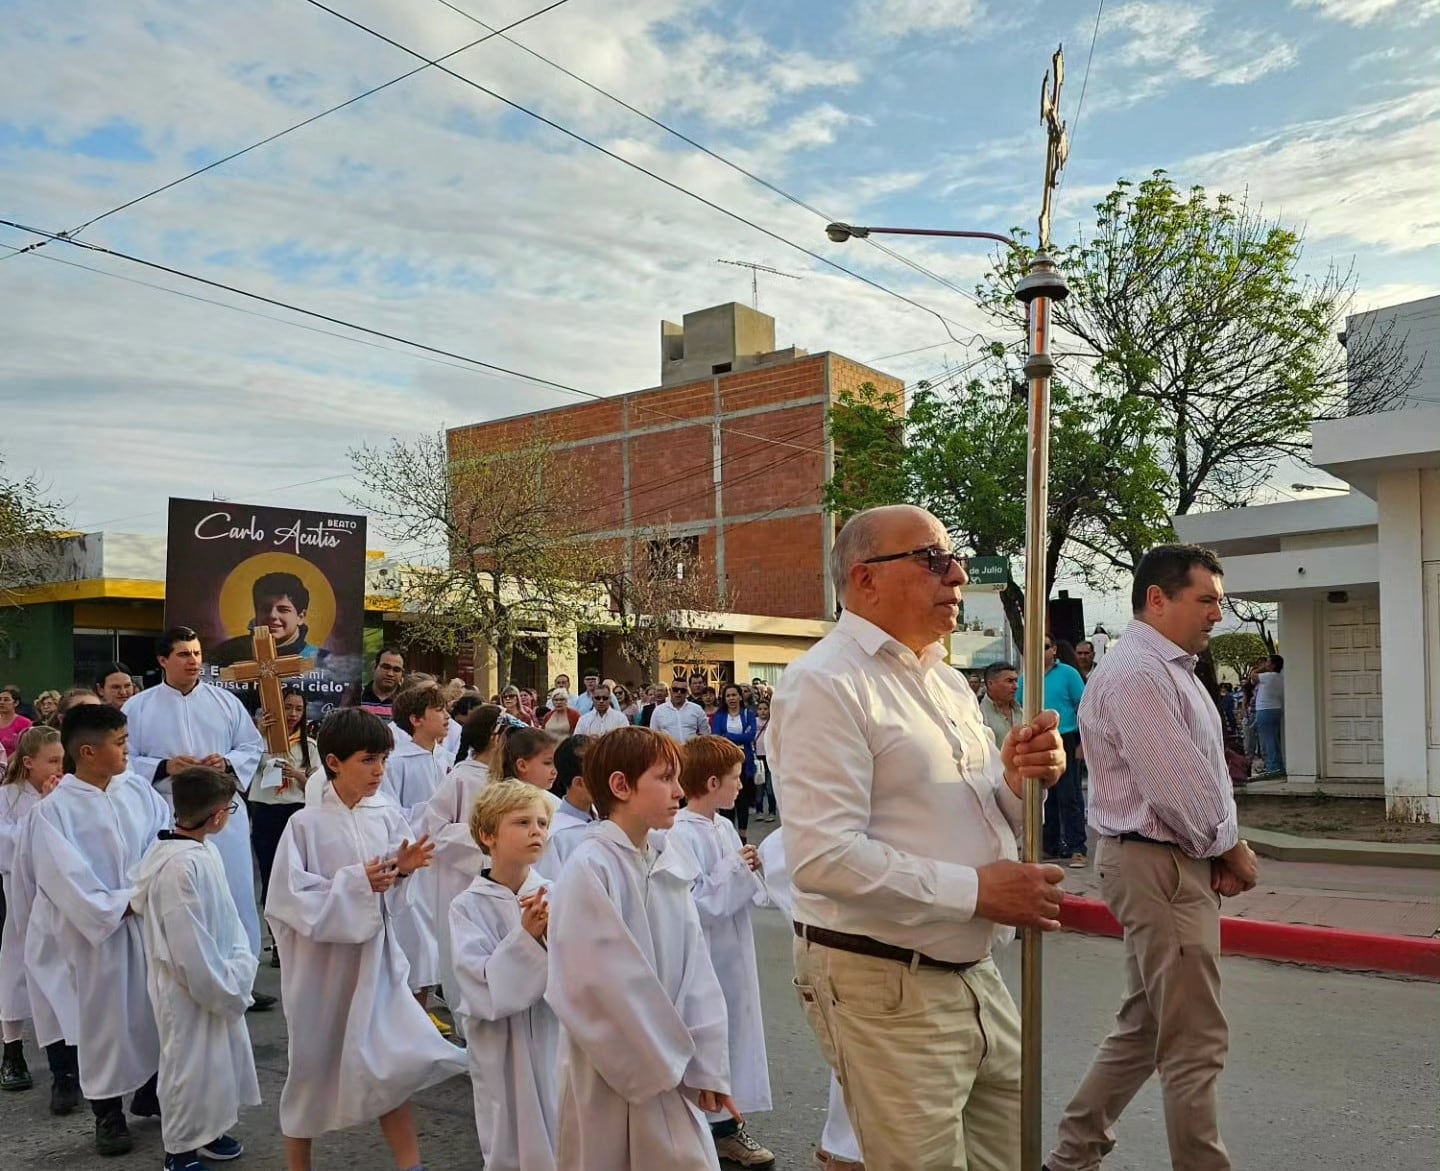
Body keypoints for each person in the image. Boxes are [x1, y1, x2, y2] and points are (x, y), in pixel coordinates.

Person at [769, 505, 1067, 1171]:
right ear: (864, 578)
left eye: (952, 558)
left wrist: (1024, 778)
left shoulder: (943, 681)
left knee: (1013, 1154)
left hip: (971, 971)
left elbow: (987, 804)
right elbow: (822, 857)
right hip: (886, 977)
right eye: (932, 559)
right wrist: (978, 891)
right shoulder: (826, 683)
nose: (957, 574)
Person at [1043, 544, 1261, 1171]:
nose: (1218, 613)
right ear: (1158, 599)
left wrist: (1217, 845)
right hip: (1157, 863)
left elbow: (1198, 776)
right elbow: (1177, 788)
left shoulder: (1172, 667)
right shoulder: (1139, 672)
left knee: (1145, 1027)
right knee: (1194, 1040)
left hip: (1166, 859)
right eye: (1207, 600)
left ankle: (1073, 1152)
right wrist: (1228, 847)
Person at [264, 707, 465, 1171]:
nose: (378, 771)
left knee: (388, 1064)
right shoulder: (305, 826)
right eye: (367, 760)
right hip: (322, 971)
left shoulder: (388, 816)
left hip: (375, 962)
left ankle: (410, 1164)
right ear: (333, 762)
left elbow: (394, 893)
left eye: (383, 761)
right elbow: (287, 901)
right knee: (312, 1068)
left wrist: (400, 873)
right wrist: (359, 882)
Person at [546, 726, 734, 1170]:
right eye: (665, 778)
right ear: (620, 785)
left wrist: (706, 1063)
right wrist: (664, 1063)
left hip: (671, 1058)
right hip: (617, 1064)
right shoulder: (589, 867)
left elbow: (696, 969)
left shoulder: (667, 859)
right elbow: (597, 984)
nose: (678, 791)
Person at [31, 703, 170, 1155]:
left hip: (147, 920)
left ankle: (152, 1091)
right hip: (98, 934)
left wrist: (150, 889)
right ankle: (108, 1112)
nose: (129, 750)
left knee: (155, 1009)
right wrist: (121, 903)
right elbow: (63, 877)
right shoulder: (54, 811)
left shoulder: (138, 791)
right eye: (121, 743)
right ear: (88, 752)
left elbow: (162, 841)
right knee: (104, 1022)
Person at [123, 628, 270, 990]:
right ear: (162, 661)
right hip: (168, 812)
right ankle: (182, 974)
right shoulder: (138, 707)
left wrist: (227, 761)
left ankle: (241, 977)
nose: (194, 661)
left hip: (223, 813)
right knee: (181, 893)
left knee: (234, 891)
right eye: (184, 654)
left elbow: (251, 747)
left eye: (197, 653)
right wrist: (165, 766)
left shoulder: (225, 702)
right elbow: (125, 760)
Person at [130, 766, 260, 1171]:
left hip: (220, 978)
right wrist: (222, 988)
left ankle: (211, 1130)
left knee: (217, 1062)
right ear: (219, 815)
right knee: (187, 1066)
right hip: (190, 988)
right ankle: (181, 1149)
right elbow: (187, 946)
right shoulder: (177, 867)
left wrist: (237, 967)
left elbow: (227, 919)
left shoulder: (203, 850)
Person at [669, 736, 775, 1168]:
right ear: (711, 782)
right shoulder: (679, 833)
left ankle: (727, 1124)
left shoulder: (724, 826)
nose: (742, 784)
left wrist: (751, 868)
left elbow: (741, 888)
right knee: (707, 1034)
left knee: (734, 1033)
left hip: (734, 949)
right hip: (705, 954)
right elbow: (693, 903)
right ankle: (705, 1127)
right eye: (734, 778)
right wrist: (736, 868)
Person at [449, 779, 560, 1171]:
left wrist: (553, 939)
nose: (536, 831)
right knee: (506, 1134)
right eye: (522, 822)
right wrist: (527, 937)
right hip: (500, 1044)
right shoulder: (467, 906)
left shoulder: (555, 893)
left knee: (560, 1125)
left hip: (550, 1036)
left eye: (543, 823)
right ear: (488, 835)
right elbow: (480, 985)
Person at [755, 826, 862, 1171]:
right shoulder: (785, 847)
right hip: (843, 963)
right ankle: (844, 1152)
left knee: (857, 1061)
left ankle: (844, 1148)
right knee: (856, 1057)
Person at [3, 724, 82, 1115]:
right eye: (51, 760)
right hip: (20, 894)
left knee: (65, 981)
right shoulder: (9, 796)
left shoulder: (70, 792)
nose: (58, 767)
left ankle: (71, 1065)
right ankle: (13, 1049)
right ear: (28, 762)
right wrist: (41, 812)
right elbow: (7, 842)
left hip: (60, 897)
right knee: (18, 971)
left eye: (62, 760)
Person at [382, 684, 450, 1025]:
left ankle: (424, 1010)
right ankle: (411, 1015)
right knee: (418, 942)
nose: (447, 716)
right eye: (438, 711)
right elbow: (392, 814)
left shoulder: (443, 756)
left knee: (437, 938)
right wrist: (432, 813)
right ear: (416, 720)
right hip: (415, 860)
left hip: (442, 860)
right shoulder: (398, 762)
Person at [248, 687, 316, 944]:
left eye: (299, 709)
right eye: (288, 707)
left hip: (294, 811)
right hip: (265, 811)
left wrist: (297, 775)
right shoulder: (258, 742)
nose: (293, 714)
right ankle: (275, 938)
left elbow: (319, 784)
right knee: (269, 875)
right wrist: (258, 736)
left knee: (293, 874)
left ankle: (293, 935)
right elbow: (245, 770)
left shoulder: (309, 746)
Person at [1020, 637, 1089, 867]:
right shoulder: (1025, 677)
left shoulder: (1068, 673)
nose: (1041, 651)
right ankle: (1050, 845)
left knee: (1069, 796)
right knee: (1044, 797)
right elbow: (1019, 707)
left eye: (1045, 647)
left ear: (1054, 650)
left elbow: (1084, 707)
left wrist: (1083, 743)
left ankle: (1077, 847)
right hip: (1037, 739)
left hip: (1066, 737)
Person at [535, 734, 594, 880]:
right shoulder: (556, 837)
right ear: (579, 783)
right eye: (600, 775)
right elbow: (549, 889)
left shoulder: (605, 819)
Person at [710, 683, 759, 844]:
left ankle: (743, 836)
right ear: (724, 698)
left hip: (745, 761)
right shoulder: (720, 715)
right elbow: (717, 737)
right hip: (725, 761)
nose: (731, 698)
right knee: (726, 798)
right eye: (728, 695)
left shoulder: (748, 714)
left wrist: (728, 736)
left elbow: (750, 735)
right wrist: (736, 737)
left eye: (734, 695)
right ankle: (728, 836)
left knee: (742, 799)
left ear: (740, 696)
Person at [490, 726, 560, 816]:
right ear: (522, 765)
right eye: (547, 763)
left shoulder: (555, 804)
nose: (554, 771)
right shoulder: (496, 803)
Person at [1254, 654, 1286, 777]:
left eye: (1268, 662)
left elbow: (1253, 675)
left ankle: (1273, 767)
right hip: (1275, 708)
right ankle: (1276, 766)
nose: (1266, 664)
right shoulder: (1279, 677)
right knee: (1273, 738)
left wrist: (1261, 668)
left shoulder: (1268, 676)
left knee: (1267, 740)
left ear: (1273, 665)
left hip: (1265, 709)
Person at [980, 661, 1023, 750]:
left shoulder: (1021, 711)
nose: (1016, 686)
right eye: (1009, 681)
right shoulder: (978, 714)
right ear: (990, 684)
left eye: (1016, 681)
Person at [356, 646, 406, 721]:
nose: (390, 674)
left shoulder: (407, 702)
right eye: (386, 667)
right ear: (374, 667)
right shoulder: (356, 697)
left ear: (402, 673)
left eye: (396, 670)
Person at [751, 698, 776, 822]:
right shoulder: (754, 722)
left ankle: (772, 811)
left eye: (765, 709)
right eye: (760, 709)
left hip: (770, 757)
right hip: (758, 757)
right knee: (759, 786)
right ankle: (759, 811)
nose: (763, 712)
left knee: (770, 787)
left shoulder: (773, 723)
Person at [0, 687, 34, 760]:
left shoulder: (25, 723)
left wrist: (5, 763)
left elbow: (25, 748)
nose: (1, 702)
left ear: (16, 703)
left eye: (6, 700)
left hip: (14, 766)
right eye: (0, 699)